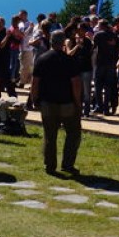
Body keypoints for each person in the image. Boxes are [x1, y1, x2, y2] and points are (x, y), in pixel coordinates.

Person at [31, 29, 83, 175]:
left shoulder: (42, 59)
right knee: (73, 134)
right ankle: (67, 164)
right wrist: (77, 102)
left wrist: (34, 99)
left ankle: (50, 165)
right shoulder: (69, 60)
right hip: (67, 103)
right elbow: (76, 83)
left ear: (51, 41)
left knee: (50, 135)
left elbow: (35, 82)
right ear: (63, 43)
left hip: (47, 102)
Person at [92, 18, 119, 115]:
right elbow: (117, 48)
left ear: (101, 26)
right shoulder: (114, 35)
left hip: (100, 62)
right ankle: (106, 108)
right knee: (108, 86)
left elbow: (93, 47)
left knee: (98, 85)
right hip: (111, 63)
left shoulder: (98, 35)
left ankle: (99, 106)